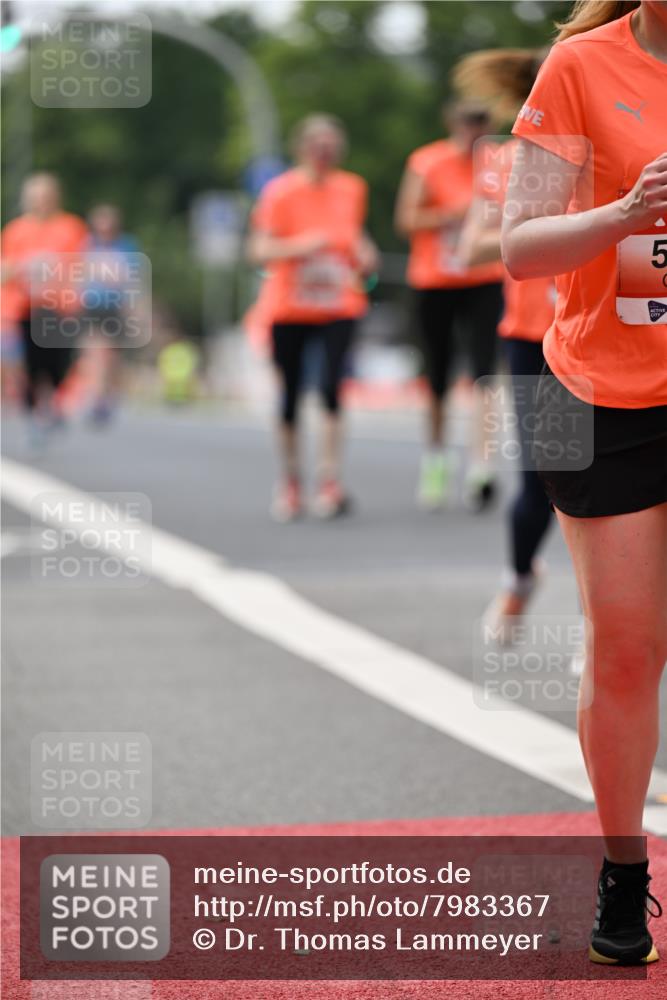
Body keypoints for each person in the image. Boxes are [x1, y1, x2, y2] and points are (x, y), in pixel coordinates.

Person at [503, 0, 667, 966]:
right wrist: (622, 216)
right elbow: (519, 248)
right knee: (629, 650)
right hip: (604, 393)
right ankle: (622, 867)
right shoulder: (578, 68)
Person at [452, 49, 556, 635]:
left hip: (613, 337)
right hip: (535, 338)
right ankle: (519, 579)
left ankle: (605, 628)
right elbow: (469, 249)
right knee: (547, 478)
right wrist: (543, 230)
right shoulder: (506, 159)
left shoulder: (622, 148)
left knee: (614, 487)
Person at [247, 114, 378, 522]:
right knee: (290, 394)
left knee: (332, 389)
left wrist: (365, 252)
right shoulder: (280, 192)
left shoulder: (352, 188)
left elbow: (354, 233)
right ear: (301, 148)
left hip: (339, 304)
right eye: (318, 146)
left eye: (332, 147)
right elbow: (259, 250)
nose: (325, 153)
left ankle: (329, 480)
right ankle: (290, 481)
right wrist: (302, 246)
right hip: (291, 305)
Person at [395, 100, 504, 511]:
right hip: (435, 279)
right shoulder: (427, 162)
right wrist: (451, 215)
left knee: (484, 372)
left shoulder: (500, 161)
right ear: (452, 123)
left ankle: (481, 465)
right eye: (469, 122)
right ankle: (436, 458)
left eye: (483, 122)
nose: (476, 130)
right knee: (438, 374)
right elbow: (406, 220)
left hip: (484, 277)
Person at [1, 173, 88, 442]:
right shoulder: (16, 231)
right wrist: (22, 268)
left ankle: (54, 403)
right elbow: (4, 269)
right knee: (29, 365)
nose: (41, 203)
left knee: (59, 363)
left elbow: (83, 266)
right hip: (26, 308)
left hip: (60, 308)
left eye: (46, 197)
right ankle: (33, 416)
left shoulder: (71, 227)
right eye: (36, 197)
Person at [82, 203, 141, 425]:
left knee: (112, 355)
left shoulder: (126, 246)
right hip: (92, 305)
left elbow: (131, 279)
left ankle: (110, 394)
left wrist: (135, 309)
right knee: (96, 352)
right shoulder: (87, 245)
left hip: (116, 306)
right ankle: (97, 397)